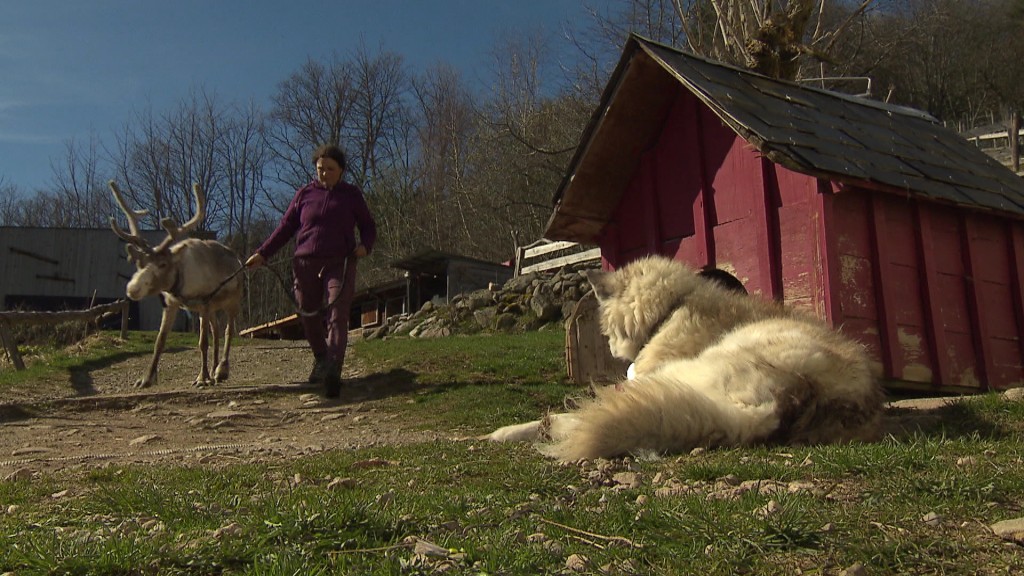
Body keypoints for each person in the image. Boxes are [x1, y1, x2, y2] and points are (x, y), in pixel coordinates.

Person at [245, 144, 376, 398]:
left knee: (338, 313)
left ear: (341, 171)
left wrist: (365, 247)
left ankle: (333, 370)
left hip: (340, 262)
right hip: (304, 263)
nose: (324, 173)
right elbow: (285, 228)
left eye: (330, 169)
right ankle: (321, 358)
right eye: (320, 169)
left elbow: (369, 227)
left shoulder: (351, 196)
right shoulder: (305, 194)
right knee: (308, 314)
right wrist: (263, 253)